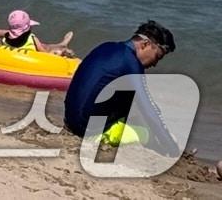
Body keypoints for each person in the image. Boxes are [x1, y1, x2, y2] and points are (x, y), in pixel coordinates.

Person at [63, 21, 179, 152]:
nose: (155, 64)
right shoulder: (132, 65)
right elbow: (149, 109)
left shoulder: (106, 47)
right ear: (145, 44)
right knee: (146, 133)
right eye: (157, 56)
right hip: (86, 130)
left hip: (69, 119)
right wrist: (171, 147)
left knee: (130, 96)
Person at [0, 9, 74, 56]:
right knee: (48, 48)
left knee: (47, 46)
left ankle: (63, 44)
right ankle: (63, 45)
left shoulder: (5, 37)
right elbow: (43, 53)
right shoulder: (32, 37)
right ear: (28, 27)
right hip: (31, 57)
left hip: (16, 56)